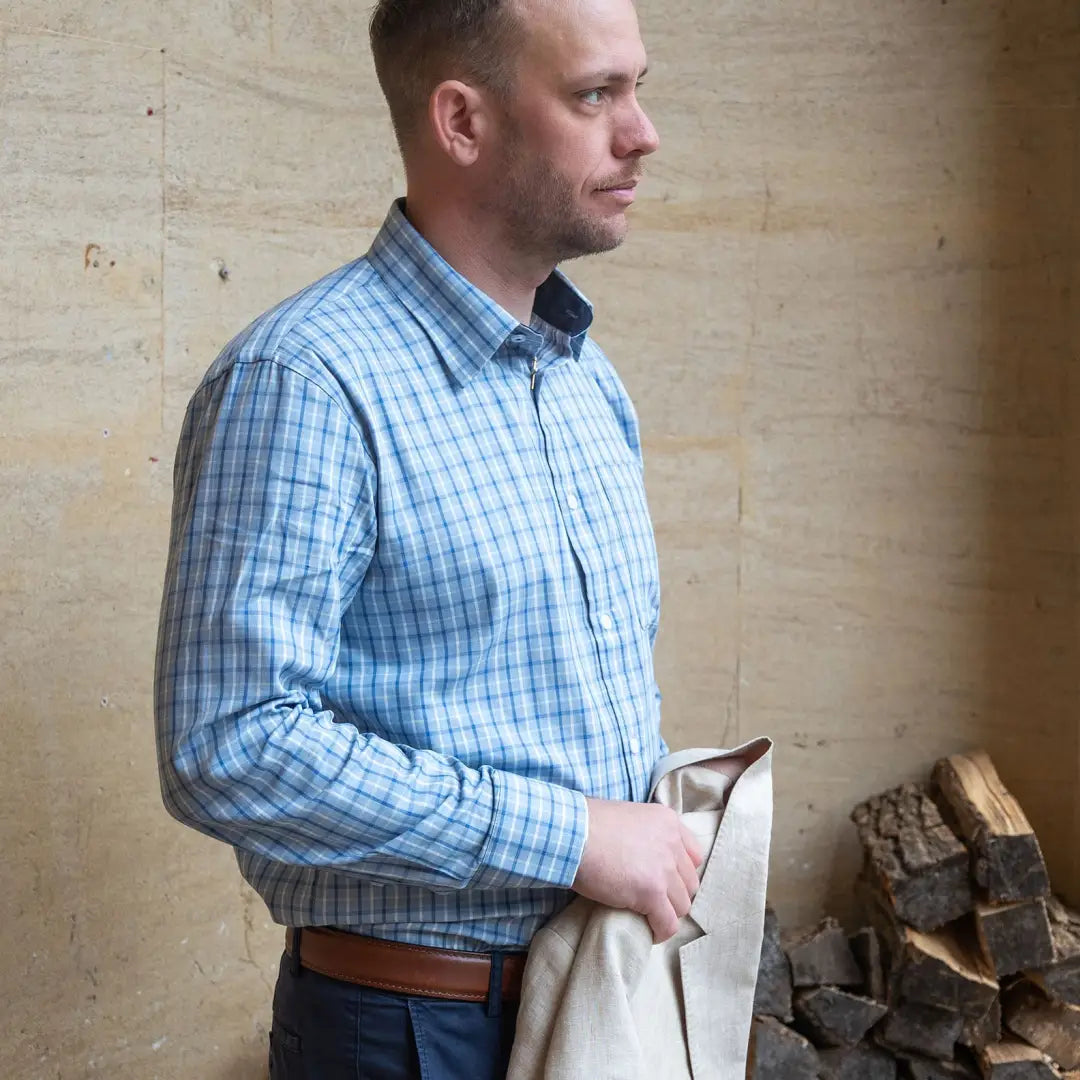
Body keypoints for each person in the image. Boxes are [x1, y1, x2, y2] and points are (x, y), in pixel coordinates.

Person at [154, 0, 704, 1076]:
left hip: (595, 1000)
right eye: (597, 94)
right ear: (462, 120)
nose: (642, 132)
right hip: (408, 1031)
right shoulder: (306, 383)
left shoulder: (588, 381)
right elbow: (226, 745)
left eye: (639, 87)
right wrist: (576, 836)